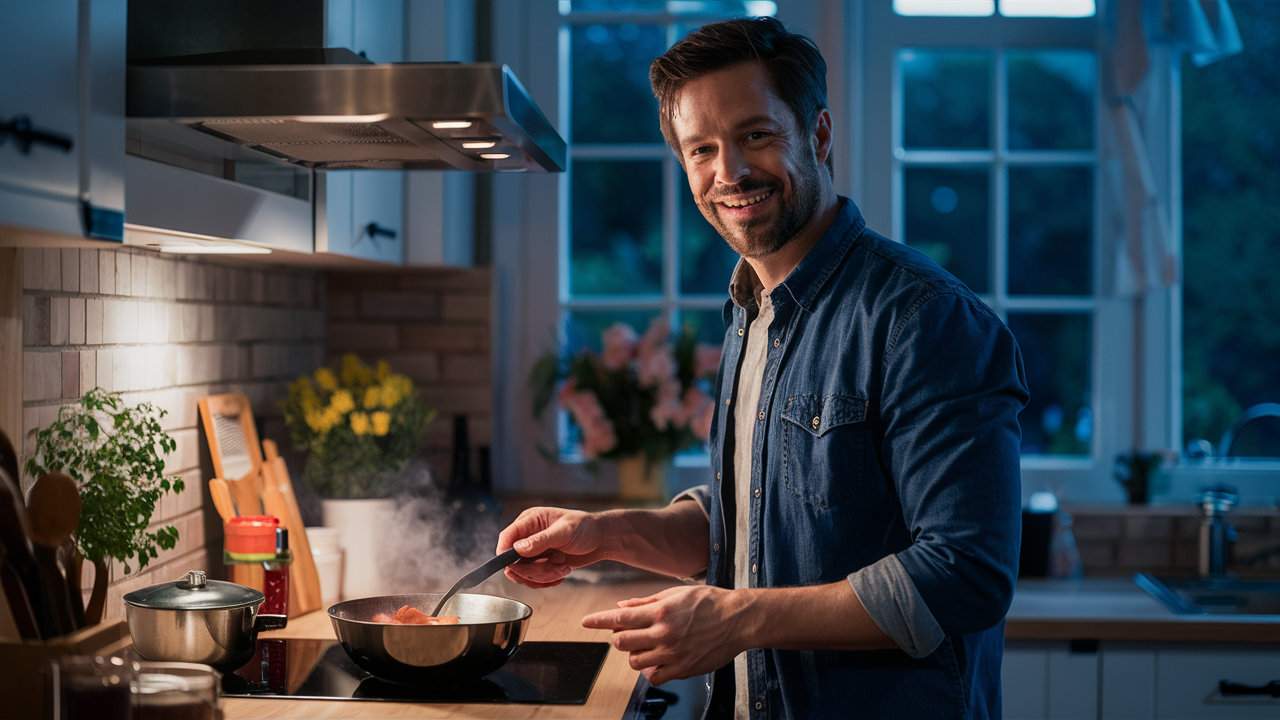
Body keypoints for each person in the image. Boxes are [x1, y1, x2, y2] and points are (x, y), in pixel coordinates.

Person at [498, 16, 1028, 720]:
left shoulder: (924, 319)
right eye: (702, 149)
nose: (730, 173)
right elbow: (754, 519)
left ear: (819, 135)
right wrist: (604, 534)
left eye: (756, 135)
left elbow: (967, 574)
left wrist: (738, 620)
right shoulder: (751, 311)